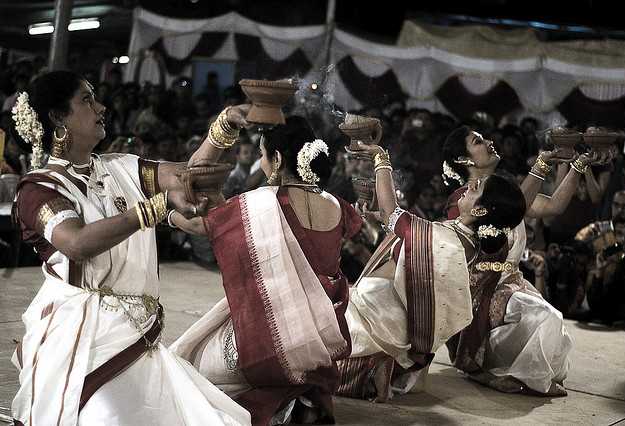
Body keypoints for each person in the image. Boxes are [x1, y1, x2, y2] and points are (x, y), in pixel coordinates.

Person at [10, 71, 249, 425]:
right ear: (58, 118)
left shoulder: (119, 167)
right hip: (84, 341)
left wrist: (224, 125)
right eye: (87, 100)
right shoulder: (39, 190)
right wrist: (155, 207)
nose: (101, 107)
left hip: (138, 338)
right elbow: (77, 243)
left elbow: (187, 176)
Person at [168, 113, 362, 425]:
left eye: (262, 154)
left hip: (269, 345)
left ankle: (276, 403)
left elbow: (199, 225)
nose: (261, 161)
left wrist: (165, 212)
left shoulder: (261, 202)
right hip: (322, 341)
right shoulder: (338, 205)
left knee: (189, 366)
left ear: (277, 158)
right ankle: (301, 397)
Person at [336, 138, 530, 402]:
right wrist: (376, 218)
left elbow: (395, 216)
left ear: (481, 209)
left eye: (477, 188)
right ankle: (381, 365)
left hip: (381, 314)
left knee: (313, 349)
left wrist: (381, 159)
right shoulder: (462, 240)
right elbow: (407, 241)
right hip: (393, 314)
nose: (470, 185)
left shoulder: (451, 242)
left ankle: (376, 366)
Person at [439, 125, 599, 395]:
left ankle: (504, 368)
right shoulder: (464, 200)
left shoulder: (504, 191)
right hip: (480, 291)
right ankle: (507, 374)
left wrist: (580, 164)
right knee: (544, 318)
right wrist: (541, 164)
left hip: (512, 283)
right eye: (478, 141)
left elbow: (554, 207)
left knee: (556, 335)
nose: (489, 141)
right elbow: (512, 209)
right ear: (464, 160)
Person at [587, 210, 625, 330]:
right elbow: (599, 308)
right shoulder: (623, 265)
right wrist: (599, 272)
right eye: (620, 234)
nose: (624, 239)